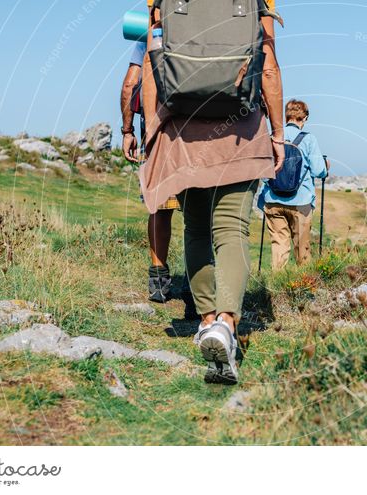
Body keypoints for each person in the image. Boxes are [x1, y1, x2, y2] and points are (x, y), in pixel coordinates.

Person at [139, 0, 284, 385]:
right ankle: (226, 323)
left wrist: (152, 132)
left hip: (183, 132)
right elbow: (267, 66)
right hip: (240, 126)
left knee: (197, 229)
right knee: (233, 229)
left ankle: (205, 321)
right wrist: (279, 134)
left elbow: (153, 59)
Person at [120, 33, 196, 318]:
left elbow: (130, 84)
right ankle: (195, 282)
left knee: (160, 207)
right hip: (202, 133)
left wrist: (128, 131)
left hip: (159, 134)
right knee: (198, 212)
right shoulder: (213, 23)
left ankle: (158, 279)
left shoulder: (153, 30)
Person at [258, 99, 329, 269]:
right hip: (301, 202)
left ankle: (276, 289)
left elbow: (262, 169)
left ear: (286, 116)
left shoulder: (273, 137)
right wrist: (326, 167)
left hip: (273, 200)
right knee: (302, 249)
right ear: (304, 118)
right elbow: (319, 171)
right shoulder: (309, 139)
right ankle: (303, 288)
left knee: (279, 246)